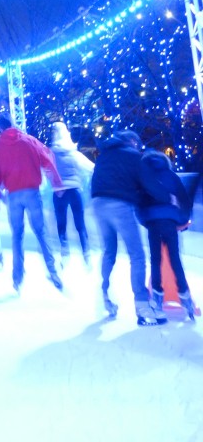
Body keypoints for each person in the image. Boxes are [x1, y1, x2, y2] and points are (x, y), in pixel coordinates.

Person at [91, 129, 163, 325]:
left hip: (98, 203)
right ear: (132, 141)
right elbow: (149, 184)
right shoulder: (133, 156)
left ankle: (105, 292)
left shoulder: (104, 154)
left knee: (109, 251)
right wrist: (167, 199)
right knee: (137, 255)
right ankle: (142, 306)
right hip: (119, 205)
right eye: (137, 144)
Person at [0, 115, 64, 292]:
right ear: (13, 125)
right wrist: (57, 184)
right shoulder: (30, 140)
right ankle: (52, 271)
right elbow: (48, 159)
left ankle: (17, 277)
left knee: (17, 235)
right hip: (32, 192)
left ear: (1, 129)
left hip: (13, 195)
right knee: (41, 231)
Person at [138, 148, 196, 322]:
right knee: (174, 259)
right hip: (170, 221)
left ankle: (157, 296)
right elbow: (184, 199)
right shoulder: (171, 175)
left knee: (155, 259)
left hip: (153, 222)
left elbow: (139, 203)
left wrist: (145, 221)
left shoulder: (144, 177)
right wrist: (182, 221)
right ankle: (184, 295)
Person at [49, 121, 94, 265]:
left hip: (59, 192)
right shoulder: (73, 153)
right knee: (79, 222)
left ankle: (65, 252)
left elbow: (47, 171)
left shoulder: (51, 154)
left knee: (61, 223)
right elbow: (90, 167)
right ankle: (86, 252)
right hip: (74, 190)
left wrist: (56, 185)